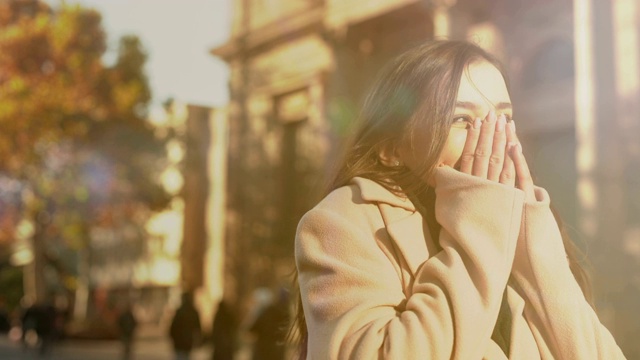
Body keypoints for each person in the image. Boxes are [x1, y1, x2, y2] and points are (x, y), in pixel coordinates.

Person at [290, 40, 627, 359]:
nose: (493, 137)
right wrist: (480, 226)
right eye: (462, 119)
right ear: (392, 148)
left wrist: (534, 246)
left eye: (503, 118)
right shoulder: (342, 220)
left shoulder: (518, 226)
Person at [249, 288, 290, 360]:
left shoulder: (268, 310)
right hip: (277, 350)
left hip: (263, 349)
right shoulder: (286, 314)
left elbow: (253, 328)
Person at [169, 292, 202, 360]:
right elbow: (198, 328)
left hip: (179, 343)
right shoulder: (193, 312)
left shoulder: (179, 311)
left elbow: (173, 328)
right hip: (188, 342)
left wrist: (173, 338)